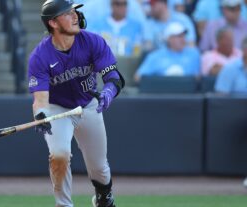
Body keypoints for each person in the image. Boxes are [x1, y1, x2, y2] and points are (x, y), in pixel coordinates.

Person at [28, 0, 125, 206]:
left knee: (99, 167)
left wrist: (108, 91)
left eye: (74, 12)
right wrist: (41, 115)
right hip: (58, 108)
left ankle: (104, 195)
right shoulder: (40, 56)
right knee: (59, 155)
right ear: (53, 23)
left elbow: (114, 78)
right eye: (68, 13)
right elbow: (40, 100)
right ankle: (63, 204)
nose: (75, 16)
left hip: (89, 104)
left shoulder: (92, 41)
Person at [135, 22, 200, 80]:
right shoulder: (155, 56)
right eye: (179, 36)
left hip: (188, 92)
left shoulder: (194, 54)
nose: (183, 39)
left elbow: (199, 78)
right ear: (169, 39)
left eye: (183, 36)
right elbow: (138, 77)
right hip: (162, 92)